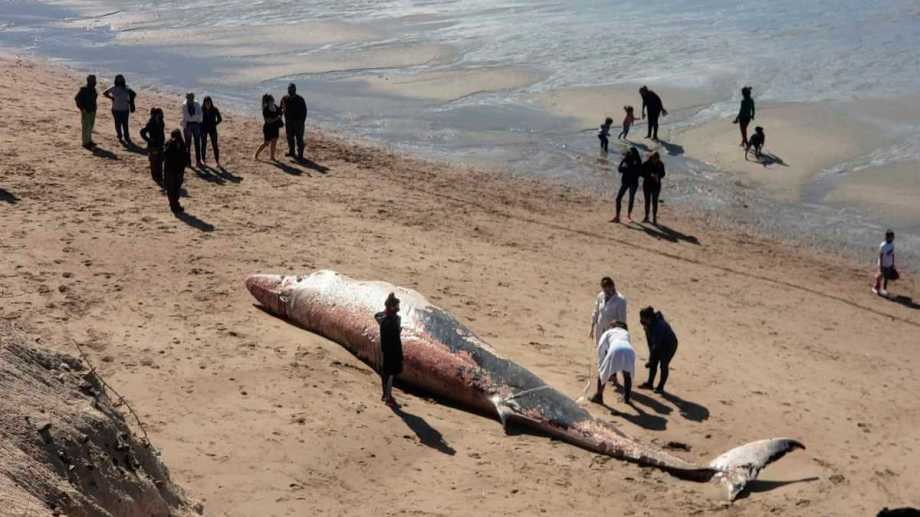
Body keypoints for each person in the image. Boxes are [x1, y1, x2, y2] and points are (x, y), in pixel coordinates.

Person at [590, 321, 636, 405]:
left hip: (615, 347)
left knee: (602, 372)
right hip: (629, 350)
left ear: (613, 327)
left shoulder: (608, 332)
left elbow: (601, 347)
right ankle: (626, 398)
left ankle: (599, 396)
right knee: (627, 374)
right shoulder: (626, 333)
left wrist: (601, 364)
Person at [638, 306, 678, 394]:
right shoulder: (646, 323)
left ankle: (660, 387)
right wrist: (651, 358)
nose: (642, 322)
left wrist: (651, 359)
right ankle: (649, 383)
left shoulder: (659, 326)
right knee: (653, 363)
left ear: (649, 318)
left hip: (669, 345)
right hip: (657, 343)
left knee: (663, 365)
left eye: (643, 320)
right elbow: (650, 342)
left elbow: (656, 345)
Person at [375, 292, 403, 407]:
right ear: (392, 307)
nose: (398, 308)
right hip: (391, 351)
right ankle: (388, 397)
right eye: (396, 306)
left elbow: (377, 315)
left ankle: (385, 395)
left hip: (387, 350)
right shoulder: (389, 321)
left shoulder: (384, 318)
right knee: (390, 374)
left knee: (386, 373)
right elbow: (392, 338)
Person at [589, 277, 627, 346]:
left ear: (613, 286)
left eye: (608, 290)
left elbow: (622, 320)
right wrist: (592, 328)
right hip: (600, 329)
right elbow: (596, 312)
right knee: (600, 350)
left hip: (612, 333)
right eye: (605, 290)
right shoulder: (601, 296)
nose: (607, 293)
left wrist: (621, 335)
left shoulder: (620, 300)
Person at [102, 74, 136, 144]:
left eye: (121, 79)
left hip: (125, 109)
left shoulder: (126, 87)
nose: (120, 80)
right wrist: (111, 98)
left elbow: (133, 94)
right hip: (116, 109)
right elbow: (105, 93)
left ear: (123, 80)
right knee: (118, 124)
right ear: (116, 80)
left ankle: (126, 137)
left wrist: (131, 101)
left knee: (125, 124)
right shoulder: (113, 88)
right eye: (119, 79)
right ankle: (120, 136)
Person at [612, 147, 643, 223]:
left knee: (631, 198)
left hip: (633, 182)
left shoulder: (638, 161)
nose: (630, 153)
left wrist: (627, 169)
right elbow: (619, 169)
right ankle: (617, 216)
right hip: (625, 182)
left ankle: (628, 216)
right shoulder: (626, 159)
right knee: (618, 198)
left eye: (631, 152)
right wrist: (627, 168)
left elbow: (639, 172)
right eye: (629, 152)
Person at [163, 129, 188, 214]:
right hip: (175, 170)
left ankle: (174, 205)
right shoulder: (171, 144)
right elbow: (165, 154)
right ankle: (174, 205)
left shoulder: (180, 144)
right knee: (174, 189)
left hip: (174, 170)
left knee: (173, 189)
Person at [280, 83, 307, 160]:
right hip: (288, 122)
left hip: (298, 123)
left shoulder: (300, 99)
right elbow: (281, 109)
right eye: (289, 89)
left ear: (295, 90)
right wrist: (280, 118)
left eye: (292, 89)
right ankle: (291, 152)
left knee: (299, 139)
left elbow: (304, 111)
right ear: (287, 90)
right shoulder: (284, 98)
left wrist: (302, 122)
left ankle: (300, 155)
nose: (290, 90)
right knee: (289, 138)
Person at [139, 108, 166, 185]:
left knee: (160, 161)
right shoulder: (151, 123)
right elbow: (142, 132)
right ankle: (155, 177)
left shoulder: (161, 121)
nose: (162, 115)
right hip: (153, 146)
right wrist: (148, 139)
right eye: (160, 113)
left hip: (160, 144)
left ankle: (160, 177)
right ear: (156, 114)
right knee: (154, 162)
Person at [255, 94, 283, 161]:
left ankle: (272, 157)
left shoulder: (276, 107)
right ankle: (256, 155)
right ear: (268, 102)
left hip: (275, 127)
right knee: (266, 143)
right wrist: (277, 118)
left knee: (274, 143)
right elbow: (268, 121)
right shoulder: (265, 109)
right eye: (271, 100)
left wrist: (283, 110)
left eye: (273, 100)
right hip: (268, 128)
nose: (273, 101)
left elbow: (280, 113)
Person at [74, 74, 98, 149]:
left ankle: (89, 140)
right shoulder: (84, 89)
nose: (94, 81)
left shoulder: (93, 89)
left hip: (93, 110)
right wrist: (82, 108)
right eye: (92, 80)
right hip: (86, 110)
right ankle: (85, 142)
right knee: (86, 126)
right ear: (88, 81)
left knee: (90, 126)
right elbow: (76, 98)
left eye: (94, 80)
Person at [642, 152, 665, 224]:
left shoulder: (660, 164)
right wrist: (649, 175)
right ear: (651, 157)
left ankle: (654, 218)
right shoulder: (646, 163)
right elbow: (641, 172)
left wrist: (658, 175)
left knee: (654, 202)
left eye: (657, 158)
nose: (655, 160)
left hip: (656, 185)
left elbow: (663, 174)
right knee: (647, 201)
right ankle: (646, 217)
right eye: (654, 158)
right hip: (647, 184)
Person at [181, 93, 203, 167]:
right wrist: (195, 117)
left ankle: (198, 161)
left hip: (196, 125)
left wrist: (194, 117)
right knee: (188, 145)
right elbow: (187, 118)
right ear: (186, 98)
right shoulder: (184, 105)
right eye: (189, 98)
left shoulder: (197, 104)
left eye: (192, 98)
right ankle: (188, 162)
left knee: (197, 144)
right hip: (188, 125)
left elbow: (201, 116)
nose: (190, 99)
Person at [873, 230, 898, 296]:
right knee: (880, 277)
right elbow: (880, 256)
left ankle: (884, 289)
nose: (893, 238)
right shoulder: (883, 245)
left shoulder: (892, 245)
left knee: (886, 277)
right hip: (883, 264)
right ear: (887, 237)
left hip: (889, 264)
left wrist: (893, 263)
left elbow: (893, 254)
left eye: (893, 237)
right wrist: (880, 266)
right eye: (892, 237)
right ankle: (875, 288)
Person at [200, 96, 223, 167]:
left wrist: (214, 124)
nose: (207, 104)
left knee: (215, 145)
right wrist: (201, 126)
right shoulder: (201, 109)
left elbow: (220, 119)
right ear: (204, 103)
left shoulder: (215, 109)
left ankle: (217, 162)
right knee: (203, 144)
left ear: (211, 102)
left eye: (209, 103)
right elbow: (198, 119)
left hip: (212, 129)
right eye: (206, 103)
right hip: (203, 129)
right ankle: (203, 160)